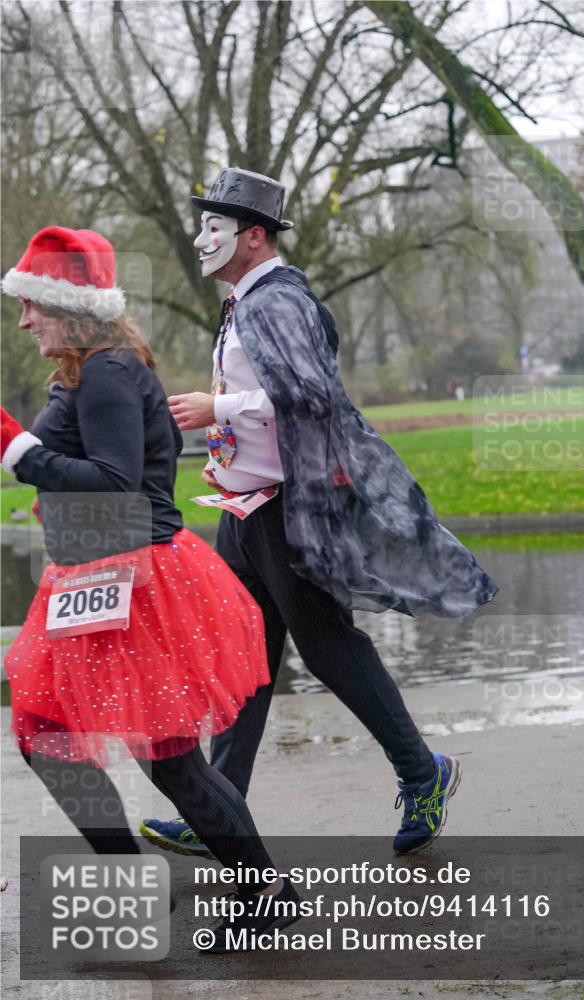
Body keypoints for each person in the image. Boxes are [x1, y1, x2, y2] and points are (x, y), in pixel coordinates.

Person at [142, 168, 498, 859]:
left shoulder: (277, 300)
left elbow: (312, 397)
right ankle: (220, 806)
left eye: (216, 225)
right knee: (241, 655)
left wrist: (219, 408)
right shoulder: (245, 301)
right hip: (243, 507)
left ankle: (423, 773)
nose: (202, 236)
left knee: (330, 648)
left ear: (253, 236)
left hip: (289, 507)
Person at [0, 226, 301, 952]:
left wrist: (16, 449)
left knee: (165, 760)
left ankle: (261, 893)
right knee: (54, 739)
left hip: (135, 581)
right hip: (97, 577)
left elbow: (116, 482)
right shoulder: (87, 371)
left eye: (31, 305)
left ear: (66, 306)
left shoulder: (104, 372)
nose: (21, 320)